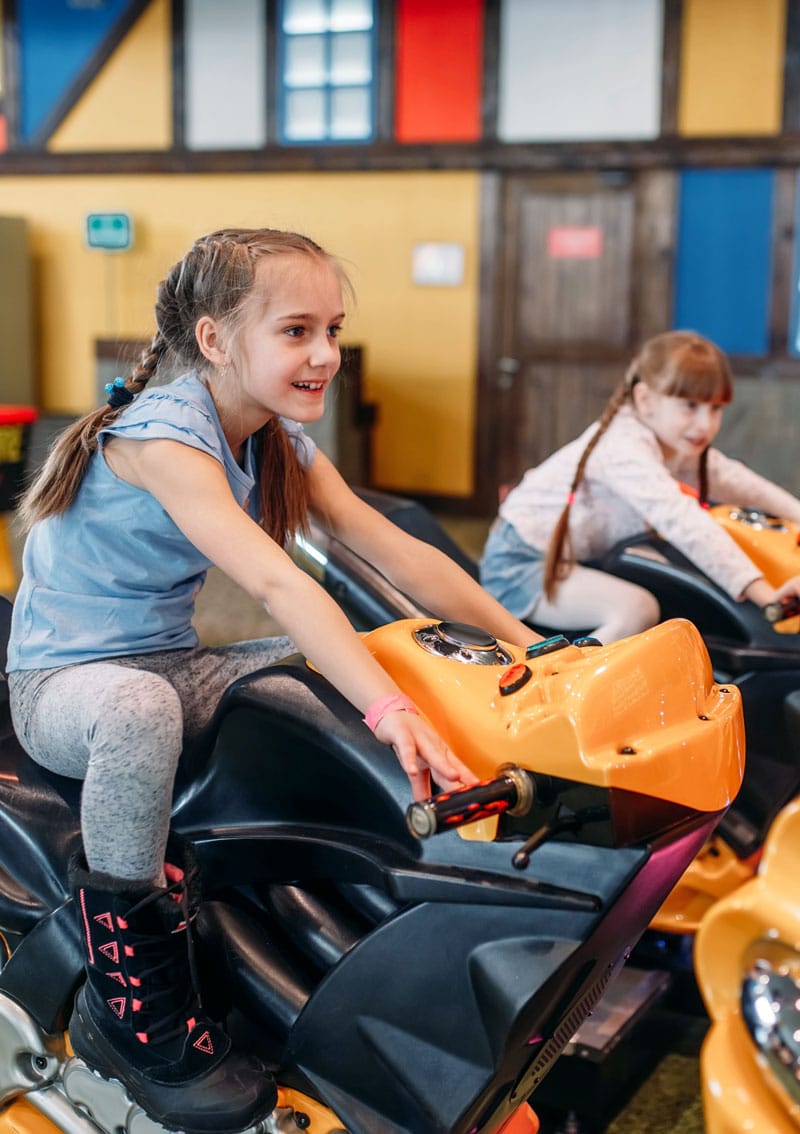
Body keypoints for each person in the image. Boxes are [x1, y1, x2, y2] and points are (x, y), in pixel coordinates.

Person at [6, 228, 539, 1134]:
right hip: (69, 683)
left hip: (176, 663)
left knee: (385, 652)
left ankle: (358, 903)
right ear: (214, 340)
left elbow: (401, 552)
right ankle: (131, 1009)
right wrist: (389, 709)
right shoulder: (162, 440)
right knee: (150, 707)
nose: (325, 354)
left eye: (331, 328)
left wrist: (540, 648)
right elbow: (275, 583)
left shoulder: (276, 440)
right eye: (296, 330)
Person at [480, 330, 800, 643]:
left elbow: (740, 482)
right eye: (690, 405)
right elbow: (681, 520)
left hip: (571, 558)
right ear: (645, 399)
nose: (706, 424)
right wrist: (766, 596)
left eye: (715, 408)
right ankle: (567, 685)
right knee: (638, 609)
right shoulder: (623, 446)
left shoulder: (673, 443)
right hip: (521, 564)